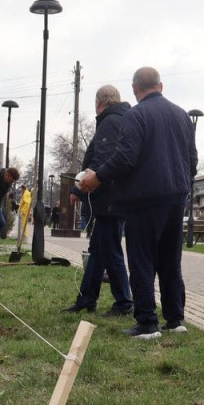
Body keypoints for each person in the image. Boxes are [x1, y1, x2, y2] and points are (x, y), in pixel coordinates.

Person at [77, 67, 197, 340]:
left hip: (144, 199)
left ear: (134, 89)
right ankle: (175, 319)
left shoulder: (136, 115)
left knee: (142, 259)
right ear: (161, 86)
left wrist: (97, 177)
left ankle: (147, 322)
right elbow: (192, 159)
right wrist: (182, 184)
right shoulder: (182, 115)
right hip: (176, 197)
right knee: (170, 260)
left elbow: (125, 158)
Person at [63, 85, 134, 317]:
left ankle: (124, 302)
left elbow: (102, 159)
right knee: (97, 251)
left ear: (99, 102)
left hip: (108, 198)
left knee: (110, 250)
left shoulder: (110, 122)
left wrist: (81, 188)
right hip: (111, 196)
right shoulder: (120, 119)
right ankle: (87, 298)